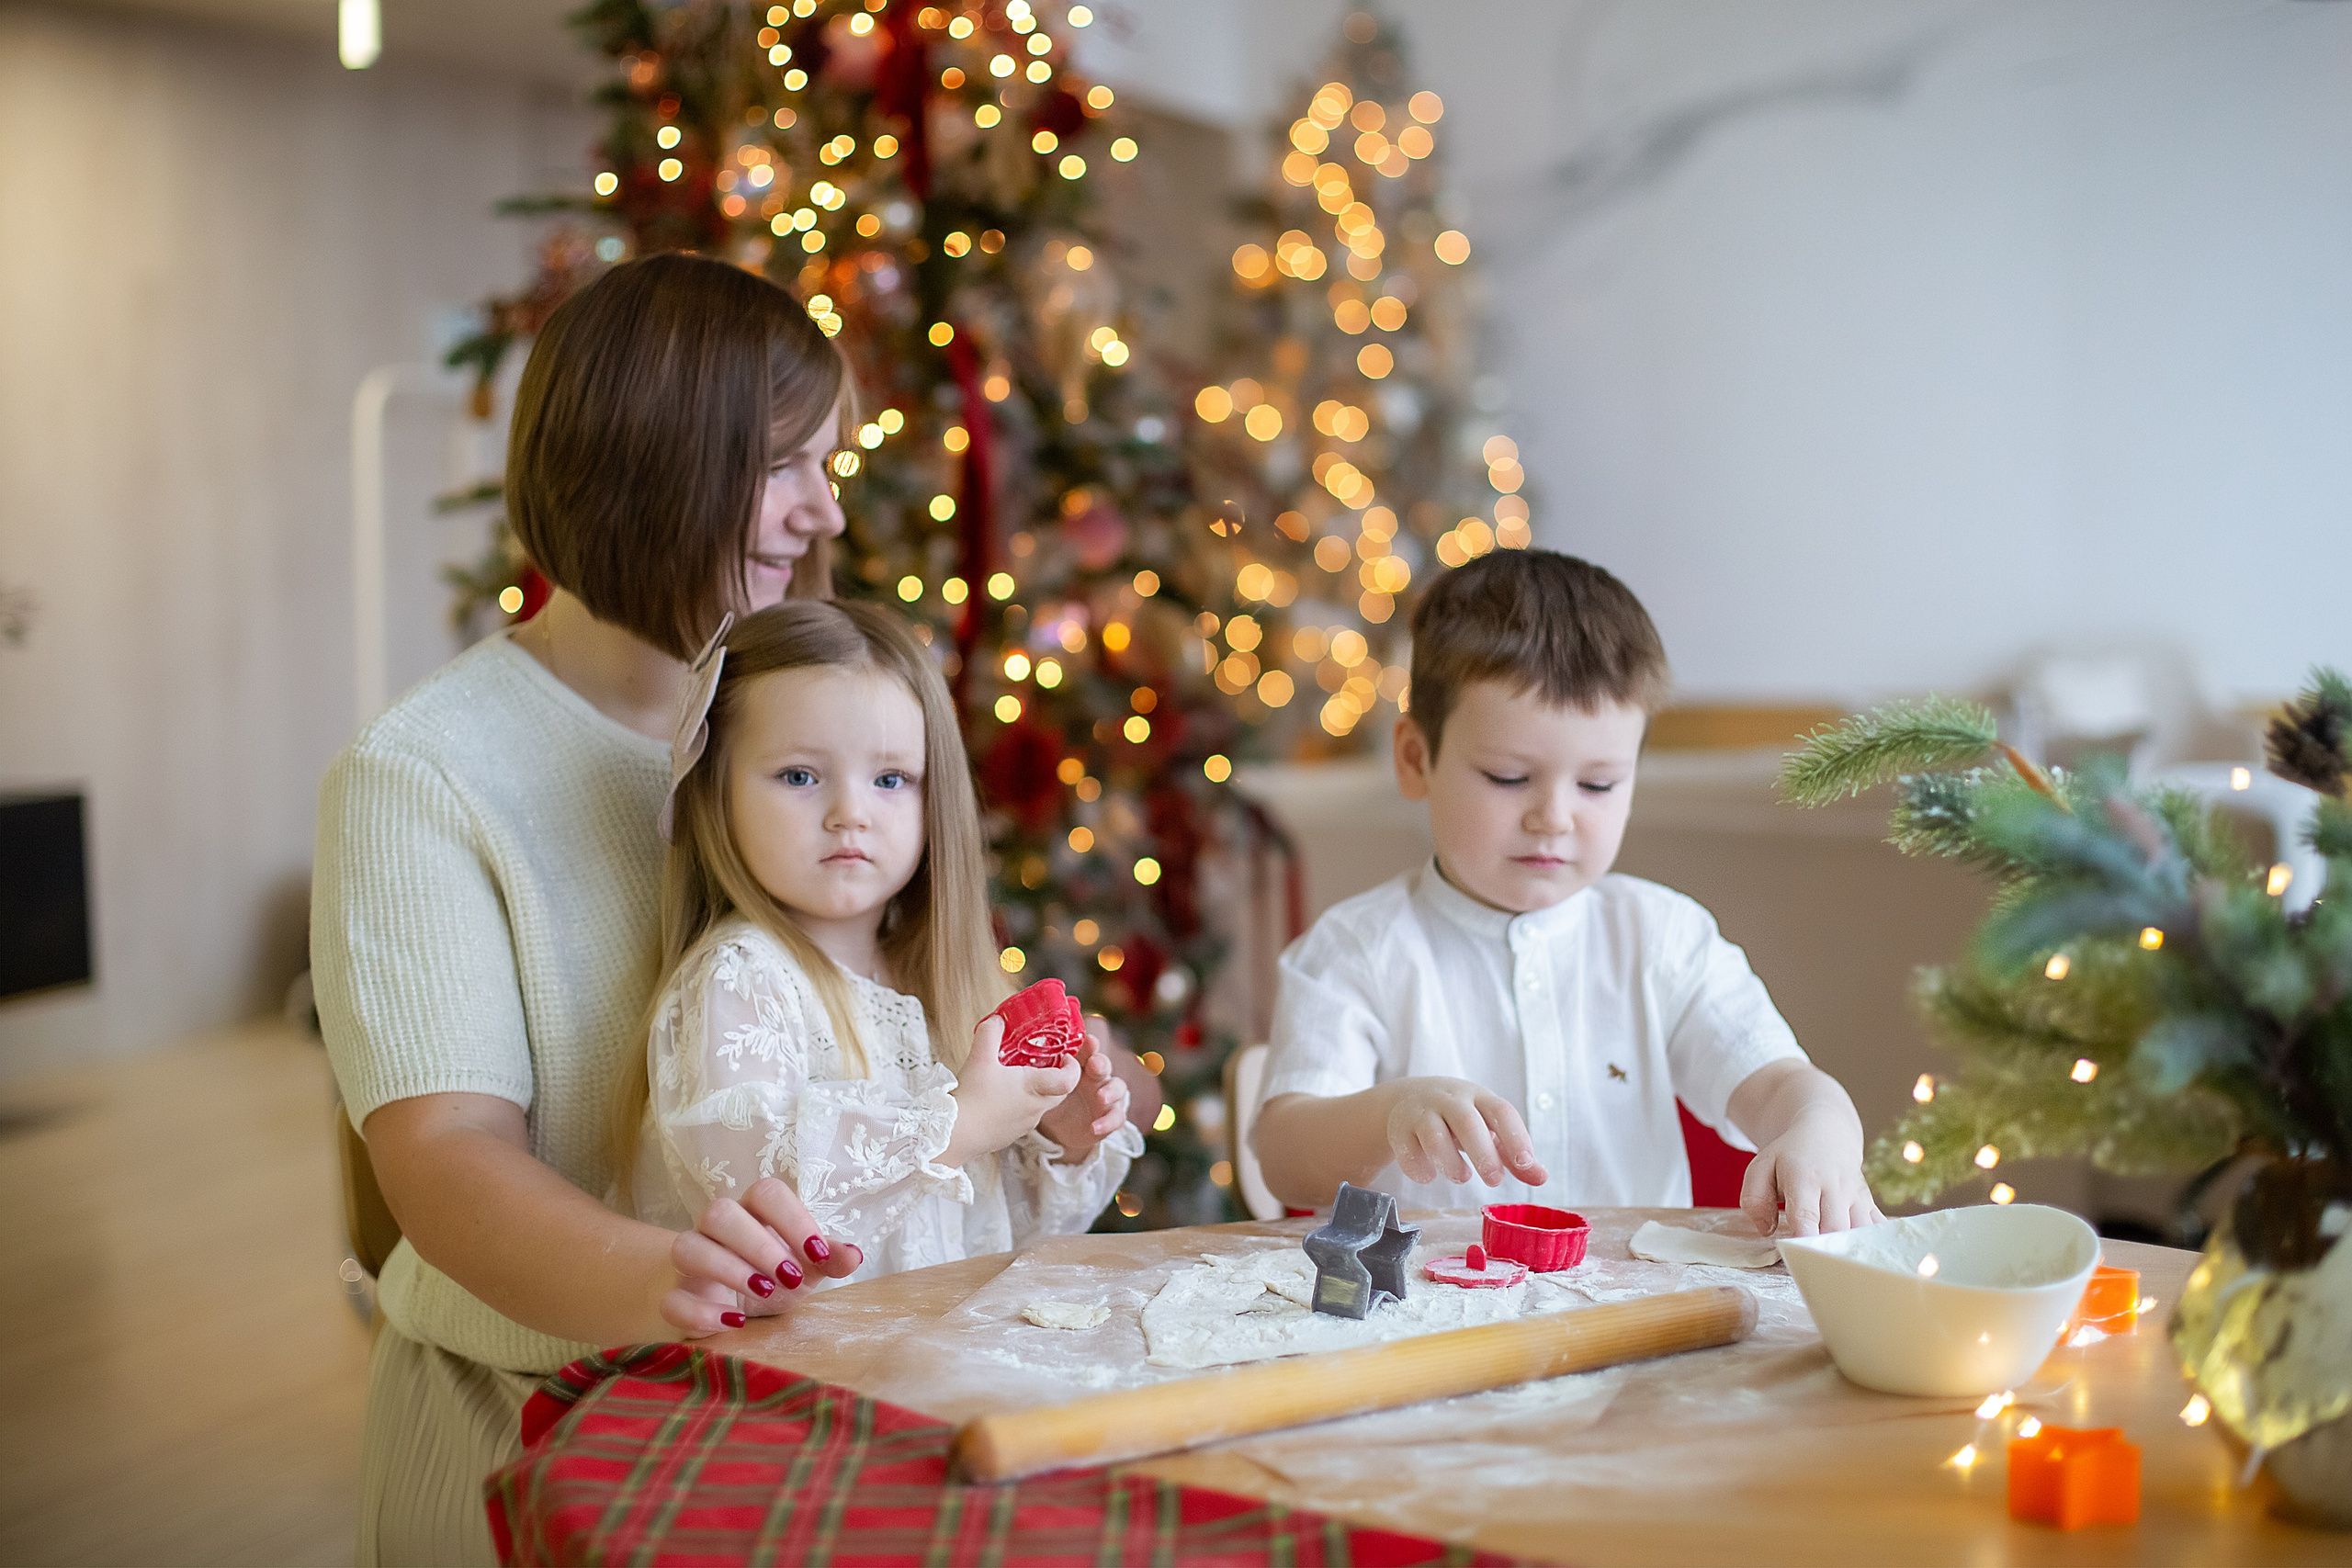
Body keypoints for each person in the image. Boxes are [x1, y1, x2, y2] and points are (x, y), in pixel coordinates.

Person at [311, 255, 1157, 1567]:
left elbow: (933, 1049)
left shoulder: (807, 708)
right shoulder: (425, 775)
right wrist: (658, 1279)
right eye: (788, 465)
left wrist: (1064, 1095)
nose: (826, 507)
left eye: (831, 462)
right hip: (531, 1428)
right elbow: (447, 1165)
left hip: (821, 1416)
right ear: (652, 462)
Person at [1250, 550, 1882, 1237]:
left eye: (1599, 784)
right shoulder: (1356, 950)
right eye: (1508, 777)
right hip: (1430, 1321)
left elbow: (1780, 1084)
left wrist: (1821, 1128)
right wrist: (1389, 1112)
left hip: (1634, 1319)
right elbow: (1284, 1156)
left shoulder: (1661, 937)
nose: (1553, 816)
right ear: (1415, 759)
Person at [621, 600, 1141, 1277]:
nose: (850, 814)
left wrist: (1056, 1141)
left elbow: (996, 1234)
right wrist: (962, 1121)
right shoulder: (740, 977)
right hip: (803, 1370)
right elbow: (766, 1204)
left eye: (891, 779)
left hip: (939, 1357)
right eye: (800, 776)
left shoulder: (944, 989)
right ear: (717, 794)